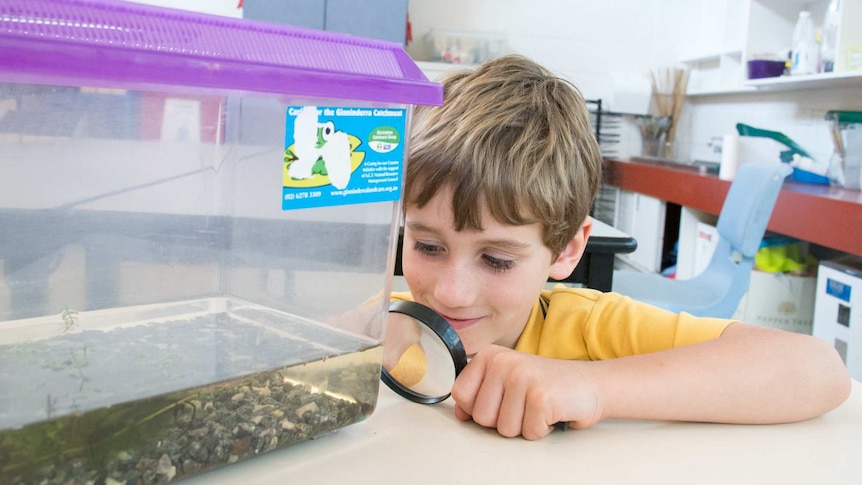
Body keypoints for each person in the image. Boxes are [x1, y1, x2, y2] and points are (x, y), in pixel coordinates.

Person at [389, 54, 851, 440]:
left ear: (567, 250)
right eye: (428, 246)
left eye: (497, 259)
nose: (451, 293)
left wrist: (592, 386)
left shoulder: (589, 329)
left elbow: (818, 370)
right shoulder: (382, 326)